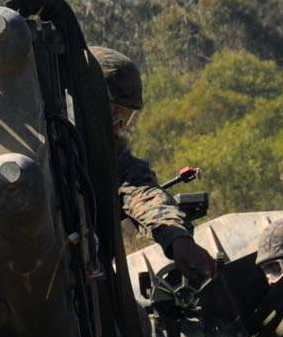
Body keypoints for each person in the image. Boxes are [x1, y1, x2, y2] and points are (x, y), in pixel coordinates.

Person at [90, 46, 216, 281]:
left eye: (124, 115)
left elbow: (141, 190)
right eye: (113, 113)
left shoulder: (109, 156)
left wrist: (177, 237)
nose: (119, 126)